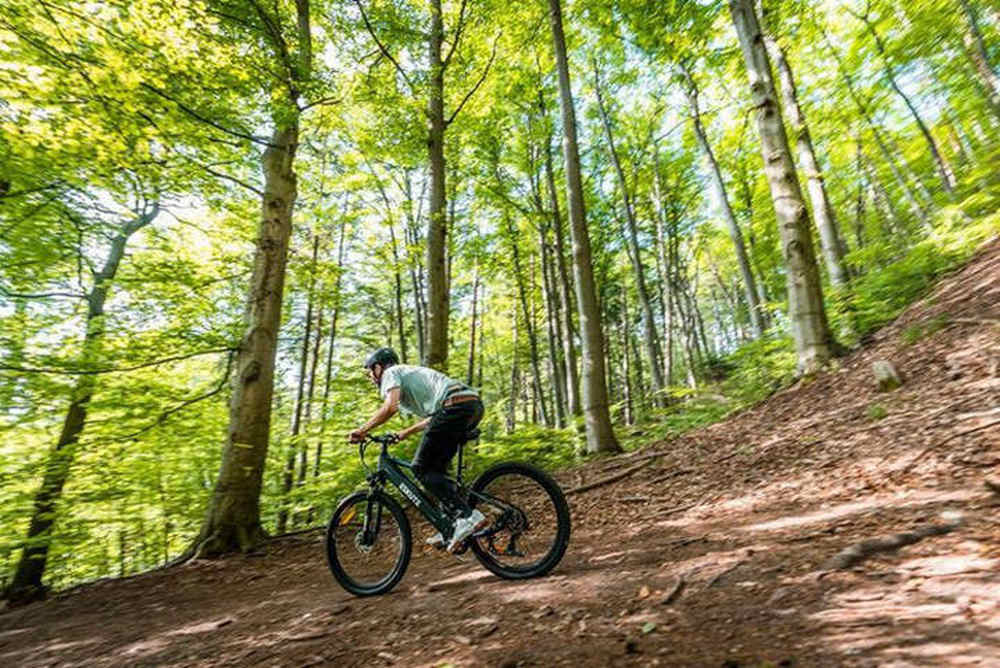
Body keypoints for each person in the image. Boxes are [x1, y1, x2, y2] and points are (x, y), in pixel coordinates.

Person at [349, 347, 486, 552]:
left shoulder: (391, 373)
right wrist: (405, 432)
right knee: (436, 472)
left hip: (454, 407)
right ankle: (451, 525)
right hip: (470, 405)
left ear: (379, 367)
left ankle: (468, 517)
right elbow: (434, 418)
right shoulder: (408, 376)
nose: (370, 376)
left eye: (370, 370)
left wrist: (362, 430)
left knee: (421, 469)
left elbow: (390, 407)